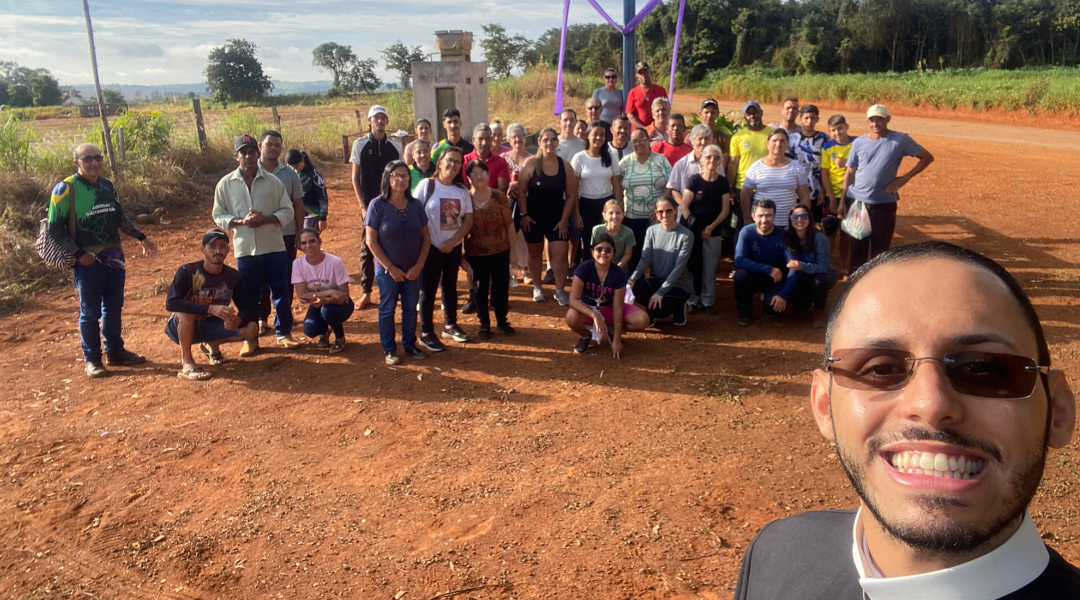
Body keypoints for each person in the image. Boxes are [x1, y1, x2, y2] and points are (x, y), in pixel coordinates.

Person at [733, 241, 1080, 599]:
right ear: (824, 406)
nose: (930, 404)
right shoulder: (776, 555)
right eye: (881, 368)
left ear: (1058, 410)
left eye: (983, 369)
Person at [49, 142, 158, 378]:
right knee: (89, 312)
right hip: (87, 262)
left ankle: (115, 352)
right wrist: (80, 256)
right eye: (87, 159)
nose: (94, 163)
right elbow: (55, 229)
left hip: (114, 258)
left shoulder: (107, 185)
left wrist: (141, 237)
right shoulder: (65, 190)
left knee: (113, 306)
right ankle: (92, 360)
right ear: (76, 162)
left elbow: (119, 216)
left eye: (98, 158)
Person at [213, 134, 295, 355]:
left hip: (274, 246)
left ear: (258, 154)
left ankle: (284, 333)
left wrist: (265, 219)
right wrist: (242, 221)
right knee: (248, 296)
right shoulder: (225, 184)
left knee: (280, 291)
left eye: (252, 152)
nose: (248, 156)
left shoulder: (273, 181)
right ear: (236, 156)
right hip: (245, 249)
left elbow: (288, 211)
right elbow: (218, 215)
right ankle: (251, 339)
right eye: (243, 152)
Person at [839, 104, 935, 273]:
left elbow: (926, 157)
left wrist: (904, 178)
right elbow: (850, 171)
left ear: (888, 119)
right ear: (868, 121)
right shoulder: (859, 142)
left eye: (880, 119)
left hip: (883, 203)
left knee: (880, 250)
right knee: (857, 249)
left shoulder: (900, 140)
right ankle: (855, 285)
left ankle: (877, 284)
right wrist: (842, 201)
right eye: (872, 120)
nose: (876, 123)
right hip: (858, 203)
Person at [164, 229, 258, 381]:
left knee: (252, 329)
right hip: (182, 327)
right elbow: (172, 302)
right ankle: (187, 363)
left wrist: (238, 321)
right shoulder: (187, 271)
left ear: (228, 250)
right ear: (203, 249)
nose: (217, 251)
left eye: (222, 246)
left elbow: (248, 309)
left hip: (212, 327)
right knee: (185, 312)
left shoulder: (233, 276)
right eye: (212, 247)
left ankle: (211, 346)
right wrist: (210, 308)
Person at [366, 161, 430, 364]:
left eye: (404, 176)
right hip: (387, 272)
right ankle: (389, 349)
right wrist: (390, 268)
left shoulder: (415, 205)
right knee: (387, 308)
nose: (400, 180)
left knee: (410, 307)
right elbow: (371, 241)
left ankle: (409, 344)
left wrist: (419, 265)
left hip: (413, 270)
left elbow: (426, 238)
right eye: (395, 176)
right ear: (387, 178)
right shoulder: (377, 205)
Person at [414, 146, 474, 351]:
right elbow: (415, 215)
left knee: (450, 286)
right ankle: (426, 332)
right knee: (428, 290)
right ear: (440, 162)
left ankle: (450, 324)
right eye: (450, 160)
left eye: (458, 162)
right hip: (429, 246)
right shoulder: (426, 186)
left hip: (453, 246)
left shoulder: (462, 190)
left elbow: (468, 220)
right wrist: (426, 240)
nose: (453, 165)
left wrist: (454, 242)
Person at [518, 127, 579, 306]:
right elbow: (521, 191)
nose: (549, 143)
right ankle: (538, 287)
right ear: (539, 143)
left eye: (553, 139)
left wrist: (563, 220)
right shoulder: (531, 164)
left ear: (557, 143)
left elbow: (571, 196)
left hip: (556, 219)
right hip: (533, 219)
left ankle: (560, 290)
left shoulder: (565, 166)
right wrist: (524, 214)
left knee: (560, 253)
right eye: (545, 140)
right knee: (535, 253)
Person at [351, 104, 403, 309]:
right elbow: (355, 177)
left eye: (383, 118)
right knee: (367, 247)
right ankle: (367, 292)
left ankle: (396, 287)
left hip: (392, 204)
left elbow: (399, 175)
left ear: (387, 122)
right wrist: (362, 205)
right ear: (369, 121)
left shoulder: (396, 146)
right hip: (370, 206)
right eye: (376, 118)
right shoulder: (360, 144)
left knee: (394, 243)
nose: (380, 121)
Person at [566, 233, 650, 357]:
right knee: (571, 316)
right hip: (588, 309)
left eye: (608, 249)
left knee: (642, 320)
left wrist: (617, 339)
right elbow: (573, 300)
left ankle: (612, 331)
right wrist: (594, 315)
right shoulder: (584, 268)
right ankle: (585, 336)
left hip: (610, 308)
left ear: (613, 253)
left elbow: (617, 307)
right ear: (592, 251)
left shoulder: (618, 273)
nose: (603, 253)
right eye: (599, 249)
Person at [254, 130, 304, 337]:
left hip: (286, 234)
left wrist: (300, 231)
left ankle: (283, 319)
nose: (273, 148)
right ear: (260, 146)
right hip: (259, 235)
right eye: (269, 144)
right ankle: (261, 318)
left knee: (284, 278)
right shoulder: (248, 171)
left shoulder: (290, 174)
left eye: (277, 145)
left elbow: (298, 204)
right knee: (260, 279)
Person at [464, 159, 516, 340]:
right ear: (468, 177)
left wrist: (513, 251)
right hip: (475, 253)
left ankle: (502, 321)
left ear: (488, 175)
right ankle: (484, 324)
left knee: (501, 287)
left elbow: (509, 225)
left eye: (482, 172)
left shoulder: (498, 196)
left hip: (500, 250)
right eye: (474, 174)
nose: (479, 177)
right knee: (479, 288)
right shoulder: (465, 199)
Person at [680, 144, 731, 316]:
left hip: (713, 233)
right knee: (692, 266)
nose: (712, 160)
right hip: (694, 232)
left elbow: (725, 210)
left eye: (716, 157)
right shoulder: (693, 180)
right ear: (702, 159)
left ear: (720, 161)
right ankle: (692, 300)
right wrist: (698, 227)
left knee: (710, 268)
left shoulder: (723, 182)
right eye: (708, 157)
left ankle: (708, 301)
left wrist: (709, 228)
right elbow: (684, 206)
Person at [629, 195, 693, 327]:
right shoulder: (651, 231)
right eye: (660, 211)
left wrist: (660, 293)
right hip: (657, 280)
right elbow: (645, 259)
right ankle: (651, 311)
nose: (665, 214)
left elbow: (678, 268)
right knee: (636, 288)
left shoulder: (686, 235)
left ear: (676, 210)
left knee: (660, 309)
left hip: (679, 285)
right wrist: (632, 280)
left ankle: (678, 308)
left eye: (668, 210)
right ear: (656, 213)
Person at [291, 227, 354, 353]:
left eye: (312, 241)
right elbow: (302, 295)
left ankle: (339, 338)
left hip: (339, 304)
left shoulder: (335, 262)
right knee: (310, 329)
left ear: (320, 242)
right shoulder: (298, 264)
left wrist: (326, 300)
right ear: (299, 246)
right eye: (303, 243)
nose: (308, 245)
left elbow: (344, 295)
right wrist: (330, 292)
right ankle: (324, 331)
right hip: (318, 303)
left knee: (328, 311)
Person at [619, 127, 672, 273]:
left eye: (642, 139)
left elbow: (671, 184)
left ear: (648, 140)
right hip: (632, 216)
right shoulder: (624, 163)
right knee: (635, 255)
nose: (638, 143)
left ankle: (657, 287)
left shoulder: (660, 160)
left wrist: (660, 211)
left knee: (658, 254)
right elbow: (617, 186)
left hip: (658, 218)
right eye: (634, 140)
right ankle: (636, 289)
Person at [740, 129, 810, 229]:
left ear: (787, 144)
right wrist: (747, 218)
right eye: (774, 140)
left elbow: (804, 197)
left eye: (782, 141)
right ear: (767, 143)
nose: (778, 144)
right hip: (763, 224)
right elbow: (745, 193)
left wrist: (802, 218)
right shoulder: (755, 167)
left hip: (789, 224)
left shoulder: (797, 168)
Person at [733, 199, 787, 326]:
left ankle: (770, 302)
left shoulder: (783, 235)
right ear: (753, 216)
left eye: (768, 215)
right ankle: (744, 312)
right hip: (753, 275)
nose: (764, 220)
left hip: (774, 278)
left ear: (774, 216)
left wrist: (783, 294)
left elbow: (791, 265)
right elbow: (739, 260)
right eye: (760, 215)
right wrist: (768, 269)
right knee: (740, 275)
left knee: (772, 310)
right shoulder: (746, 232)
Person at [780, 205, 835, 328]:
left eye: (804, 216)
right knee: (801, 303)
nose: (799, 220)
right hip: (800, 274)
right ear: (790, 219)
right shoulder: (786, 235)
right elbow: (791, 265)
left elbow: (823, 267)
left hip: (820, 274)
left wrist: (802, 266)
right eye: (795, 217)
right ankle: (802, 304)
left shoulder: (820, 239)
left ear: (810, 219)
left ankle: (819, 311)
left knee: (820, 280)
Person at [572, 121, 624, 252]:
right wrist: (577, 214)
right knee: (589, 242)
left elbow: (617, 186)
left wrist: (619, 208)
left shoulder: (611, 157)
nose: (599, 138)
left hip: (606, 204)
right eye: (595, 134)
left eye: (602, 135)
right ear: (588, 135)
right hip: (586, 205)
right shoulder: (579, 158)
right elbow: (573, 189)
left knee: (607, 241)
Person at [728, 101, 773, 232]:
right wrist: (731, 189)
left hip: (767, 187)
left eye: (755, 112)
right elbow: (733, 164)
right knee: (742, 226)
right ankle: (740, 253)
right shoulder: (738, 137)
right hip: (742, 189)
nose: (752, 116)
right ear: (744, 117)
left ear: (761, 113)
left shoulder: (772, 134)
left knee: (766, 225)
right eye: (749, 113)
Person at [822, 114, 853, 274]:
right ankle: (828, 263)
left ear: (846, 126)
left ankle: (843, 265)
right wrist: (831, 198)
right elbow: (824, 174)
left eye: (840, 128)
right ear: (829, 131)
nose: (837, 132)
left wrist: (847, 164)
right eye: (833, 130)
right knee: (830, 230)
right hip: (833, 196)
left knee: (846, 231)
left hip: (852, 195)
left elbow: (864, 166)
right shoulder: (827, 147)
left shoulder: (857, 143)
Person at [787, 105, 830, 220]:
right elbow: (787, 165)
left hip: (817, 191)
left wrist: (823, 190)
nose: (809, 121)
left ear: (817, 119)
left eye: (812, 118)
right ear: (800, 119)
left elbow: (827, 168)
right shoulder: (792, 139)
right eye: (806, 118)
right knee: (797, 221)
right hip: (795, 192)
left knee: (815, 224)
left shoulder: (824, 138)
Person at [503, 123, 533, 284]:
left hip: (527, 202)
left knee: (525, 234)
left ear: (525, 138)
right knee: (509, 234)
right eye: (513, 136)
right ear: (508, 139)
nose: (517, 139)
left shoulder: (531, 159)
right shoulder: (503, 159)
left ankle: (526, 270)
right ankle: (510, 268)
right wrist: (509, 187)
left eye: (520, 136)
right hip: (507, 201)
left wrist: (520, 186)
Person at [667, 124, 718, 205]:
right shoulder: (681, 164)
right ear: (692, 141)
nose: (703, 142)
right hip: (687, 214)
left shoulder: (717, 164)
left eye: (707, 139)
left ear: (711, 141)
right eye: (700, 138)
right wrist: (685, 207)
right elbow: (674, 190)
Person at [284, 149, 328, 231]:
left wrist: (323, 218)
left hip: (312, 214)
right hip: (296, 213)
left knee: (306, 237)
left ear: (302, 161)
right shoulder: (290, 173)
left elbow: (323, 197)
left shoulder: (314, 175)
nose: (294, 169)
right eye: (291, 167)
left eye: (296, 166)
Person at [463, 123, 511, 194]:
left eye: (487, 139)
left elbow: (502, 190)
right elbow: (465, 188)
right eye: (480, 139)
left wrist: (485, 199)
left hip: (494, 203)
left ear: (491, 139)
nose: (484, 142)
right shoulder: (465, 161)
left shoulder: (501, 162)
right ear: (473, 140)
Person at [590, 199, 635, 271]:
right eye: (611, 213)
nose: (614, 216)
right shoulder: (597, 230)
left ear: (623, 215)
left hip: (619, 264)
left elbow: (627, 254)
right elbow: (594, 251)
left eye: (618, 213)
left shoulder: (628, 232)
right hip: (601, 262)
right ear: (604, 215)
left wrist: (617, 267)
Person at [625, 61, 667, 132]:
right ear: (637, 76)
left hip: (657, 131)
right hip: (639, 131)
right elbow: (630, 115)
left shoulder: (661, 90)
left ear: (649, 72)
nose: (644, 75)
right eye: (641, 73)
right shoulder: (633, 92)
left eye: (645, 72)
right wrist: (644, 129)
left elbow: (667, 110)